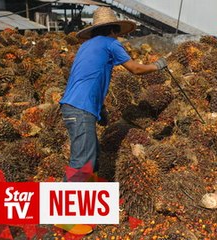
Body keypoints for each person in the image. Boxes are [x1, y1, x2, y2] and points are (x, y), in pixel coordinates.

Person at [58, 7, 167, 235]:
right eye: (118, 32)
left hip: (75, 106)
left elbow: (88, 77)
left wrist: (101, 108)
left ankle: (87, 205)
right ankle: (64, 218)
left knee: (92, 157)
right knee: (82, 162)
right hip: (80, 109)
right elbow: (135, 69)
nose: (119, 36)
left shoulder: (87, 46)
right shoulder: (110, 44)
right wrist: (157, 66)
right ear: (114, 30)